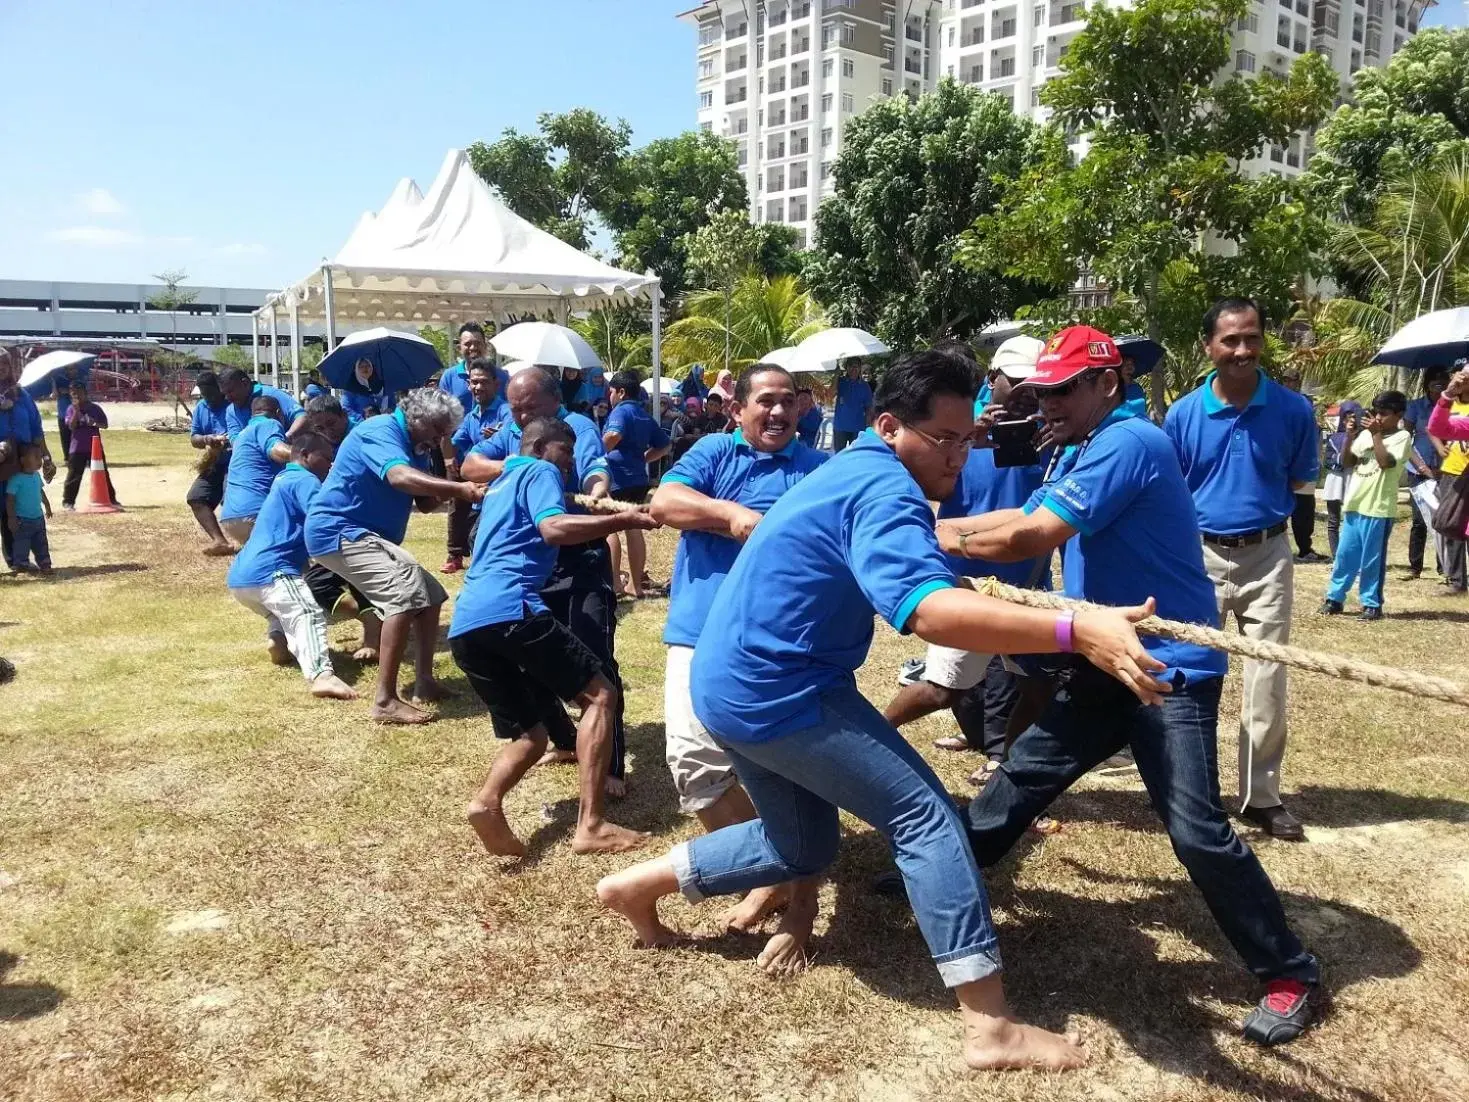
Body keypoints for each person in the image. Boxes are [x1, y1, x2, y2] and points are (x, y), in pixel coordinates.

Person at [598, 348, 1173, 1072]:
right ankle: (989, 1027)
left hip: (734, 681)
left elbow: (914, 567)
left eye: (970, 439)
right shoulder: (883, 487)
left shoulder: (850, 468)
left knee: (802, 846)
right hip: (778, 689)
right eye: (944, 440)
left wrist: (1061, 612)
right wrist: (1074, 631)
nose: (959, 456)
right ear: (889, 424)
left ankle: (634, 887)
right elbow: (927, 615)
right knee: (926, 818)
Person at [939, 325, 1323, 1048]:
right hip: (1102, 654)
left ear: (1105, 385)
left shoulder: (1127, 442)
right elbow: (1017, 517)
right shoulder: (1082, 444)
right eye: (1036, 390)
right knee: (1019, 779)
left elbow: (1029, 538)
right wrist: (936, 523)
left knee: (1194, 831)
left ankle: (1290, 973)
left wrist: (929, 534)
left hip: (1163, 669)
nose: (1042, 402)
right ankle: (938, 882)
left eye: (1058, 390)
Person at [648, 364, 828, 950]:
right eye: (765, 402)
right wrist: (731, 515)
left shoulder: (816, 469)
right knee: (693, 764)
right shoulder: (713, 453)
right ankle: (771, 863)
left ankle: (783, 873)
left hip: (778, 640)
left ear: (801, 409)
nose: (777, 413)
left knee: (782, 767)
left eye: (787, 403)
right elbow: (664, 500)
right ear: (738, 410)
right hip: (699, 633)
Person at [451, 417, 659, 857]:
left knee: (531, 735)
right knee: (601, 695)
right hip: (513, 609)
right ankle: (592, 825)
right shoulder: (538, 470)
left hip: (467, 622)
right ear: (542, 446)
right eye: (565, 454)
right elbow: (553, 529)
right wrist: (622, 518)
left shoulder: (504, 481)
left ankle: (486, 804)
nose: (568, 466)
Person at [1163, 298, 1319, 841]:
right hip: (1198, 555)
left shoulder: (1294, 411)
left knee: (1267, 678)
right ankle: (1193, 791)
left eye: (1251, 338)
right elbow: (1173, 493)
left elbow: (1300, 482)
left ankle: (1262, 797)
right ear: (1209, 346)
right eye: (1230, 340)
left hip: (1268, 556)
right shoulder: (1183, 415)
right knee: (1190, 675)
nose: (1242, 350)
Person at [883, 336, 1049, 781]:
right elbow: (910, 486)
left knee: (1039, 682)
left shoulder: (1050, 436)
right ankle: (876, 733)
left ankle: (1005, 762)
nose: (1027, 392)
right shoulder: (953, 428)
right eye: (1017, 382)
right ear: (994, 379)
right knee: (941, 689)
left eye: (1036, 383)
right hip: (969, 584)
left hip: (1028, 582)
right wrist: (968, 438)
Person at [459, 368, 632, 794]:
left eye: (527, 407)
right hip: (535, 561)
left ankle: (609, 766)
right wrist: (521, 465)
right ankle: (567, 740)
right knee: (535, 658)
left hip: (578, 554)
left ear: (554, 401)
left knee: (594, 659)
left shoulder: (573, 428)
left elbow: (594, 471)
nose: (517, 414)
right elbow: (469, 465)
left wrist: (594, 500)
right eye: (514, 407)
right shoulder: (527, 438)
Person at [305, 388, 485, 725]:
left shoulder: (416, 444)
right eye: (438, 430)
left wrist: (453, 476)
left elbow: (426, 502)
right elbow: (399, 477)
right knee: (403, 596)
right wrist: (459, 489)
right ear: (419, 420)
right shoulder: (381, 431)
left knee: (430, 596)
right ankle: (385, 701)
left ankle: (425, 683)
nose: (440, 438)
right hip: (339, 531)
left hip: (364, 534)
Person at [226, 432, 357, 700]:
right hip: (273, 570)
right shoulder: (304, 480)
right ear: (306, 455)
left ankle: (279, 641)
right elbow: (321, 517)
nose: (330, 465)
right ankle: (322, 675)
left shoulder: (283, 478)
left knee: (280, 612)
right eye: (327, 459)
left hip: (241, 578)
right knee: (306, 613)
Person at [1319, 391, 1411, 621]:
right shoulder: (1366, 435)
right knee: (1344, 555)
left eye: (1384, 413)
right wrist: (1350, 436)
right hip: (1355, 504)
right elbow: (1347, 461)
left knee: (1372, 559)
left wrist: (1377, 435)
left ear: (1398, 414)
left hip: (1378, 508)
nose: (1378, 417)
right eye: (1376, 412)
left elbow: (1385, 463)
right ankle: (1335, 598)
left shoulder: (1402, 437)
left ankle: (1371, 603)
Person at [602, 370, 671, 599]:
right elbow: (665, 445)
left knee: (608, 528)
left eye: (610, 392)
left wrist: (597, 454)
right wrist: (643, 458)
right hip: (639, 479)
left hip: (618, 478)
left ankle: (614, 584)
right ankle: (635, 585)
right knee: (634, 529)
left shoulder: (620, 412)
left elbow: (613, 435)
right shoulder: (643, 414)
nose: (609, 397)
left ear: (620, 392)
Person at [443, 358, 509, 574]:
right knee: (475, 535)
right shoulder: (471, 417)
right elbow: (454, 442)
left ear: (496, 384)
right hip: (480, 490)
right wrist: (447, 454)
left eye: (483, 382)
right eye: (473, 382)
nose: (478, 387)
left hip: (503, 488)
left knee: (479, 537)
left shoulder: (507, 413)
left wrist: (501, 435)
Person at [0, 351, 54, 572]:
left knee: (12, 511)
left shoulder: (23, 396)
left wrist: (47, 457)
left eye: (5, 363)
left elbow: (36, 429)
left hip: (19, 464)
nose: (1, 367)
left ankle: (16, 559)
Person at [219, 395, 292, 546]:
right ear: (279, 413)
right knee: (295, 560)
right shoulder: (270, 424)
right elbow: (277, 451)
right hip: (256, 512)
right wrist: (310, 456)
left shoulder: (242, 435)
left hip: (231, 517)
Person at [1403, 367, 1450, 580]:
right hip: (1419, 471)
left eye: (1443, 379)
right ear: (1427, 383)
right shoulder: (1415, 407)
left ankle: (1445, 568)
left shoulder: (1454, 407)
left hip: (1446, 471)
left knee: (1445, 521)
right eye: (1435, 379)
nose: (1439, 383)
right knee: (1419, 521)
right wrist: (1422, 467)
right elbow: (1405, 440)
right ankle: (1415, 568)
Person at [1280, 369, 1328, 564]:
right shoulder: (1274, 402)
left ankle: (1304, 549)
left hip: (1303, 462)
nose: (1291, 383)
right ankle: (1280, 549)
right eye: (1287, 380)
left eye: (1294, 379)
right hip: (1281, 463)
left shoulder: (1306, 402)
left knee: (1305, 509)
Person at [187, 371, 237, 556]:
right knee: (196, 498)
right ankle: (219, 541)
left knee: (231, 501)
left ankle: (250, 543)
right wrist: (207, 439)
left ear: (220, 388)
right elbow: (194, 438)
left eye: (211, 393)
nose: (208, 398)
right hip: (214, 462)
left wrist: (227, 440)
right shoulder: (201, 407)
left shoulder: (233, 404)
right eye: (204, 394)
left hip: (235, 462)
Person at [1432, 362, 1469, 595]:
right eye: (1463, 375)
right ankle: (1457, 581)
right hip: (1455, 472)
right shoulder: (1454, 404)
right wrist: (1447, 394)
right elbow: (1437, 427)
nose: (1464, 380)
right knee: (1452, 525)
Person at [61, 381, 117, 509]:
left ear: (85, 393)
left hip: (94, 448)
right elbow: (71, 426)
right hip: (77, 448)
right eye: (73, 394)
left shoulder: (94, 408)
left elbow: (105, 424)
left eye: (79, 393)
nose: (77, 396)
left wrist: (94, 423)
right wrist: (76, 411)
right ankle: (68, 501)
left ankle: (111, 498)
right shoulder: (70, 409)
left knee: (102, 474)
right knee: (74, 475)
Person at [1321, 400, 1363, 557]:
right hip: (1335, 480)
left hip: (1354, 479)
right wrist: (1343, 460)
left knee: (1351, 520)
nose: (1350, 421)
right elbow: (1329, 460)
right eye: (1347, 417)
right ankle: (1335, 556)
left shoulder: (1364, 438)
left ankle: (1351, 555)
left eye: (1354, 417)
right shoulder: (1333, 438)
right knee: (1333, 521)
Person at [437, 322, 508, 414]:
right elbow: (442, 412)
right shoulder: (449, 377)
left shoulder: (501, 376)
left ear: (485, 346)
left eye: (477, 343)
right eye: (468, 344)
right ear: (459, 348)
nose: (473, 347)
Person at [5, 442, 52, 574]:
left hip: (38, 518)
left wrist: (47, 506)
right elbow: (10, 499)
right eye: (36, 457)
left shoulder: (36, 476)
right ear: (23, 460)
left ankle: (45, 564)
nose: (40, 460)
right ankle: (21, 565)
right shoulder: (16, 479)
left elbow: (41, 492)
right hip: (22, 520)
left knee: (42, 543)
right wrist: (12, 518)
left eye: (40, 457)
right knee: (21, 543)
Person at [219, 368, 304, 438]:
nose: (227, 398)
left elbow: (302, 417)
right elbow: (235, 438)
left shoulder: (273, 394)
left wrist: (285, 439)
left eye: (230, 391)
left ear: (245, 383)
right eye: (224, 394)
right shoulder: (231, 411)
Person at [831, 358, 873, 451]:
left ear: (860, 368)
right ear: (846, 367)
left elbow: (869, 409)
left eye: (856, 366)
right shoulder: (840, 382)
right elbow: (830, 394)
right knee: (838, 457)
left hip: (857, 428)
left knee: (856, 458)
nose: (853, 369)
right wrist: (836, 375)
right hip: (840, 427)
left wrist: (868, 428)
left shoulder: (865, 386)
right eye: (850, 366)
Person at [340, 359, 392, 425]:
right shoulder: (350, 388)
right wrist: (362, 420)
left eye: (368, 365)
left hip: (382, 424)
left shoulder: (381, 385)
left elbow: (392, 402)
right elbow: (345, 408)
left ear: (372, 367)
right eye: (361, 367)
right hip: (360, 426)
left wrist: (390, 409)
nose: (365, 368)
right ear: (356, 369)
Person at [669, 396, 707, 460]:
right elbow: (679, 432)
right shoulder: (683, 418)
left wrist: (693, 436)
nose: (691, 409)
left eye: (693, 407)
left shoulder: (704, 418)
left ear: (698, 406)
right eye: (688, 407)